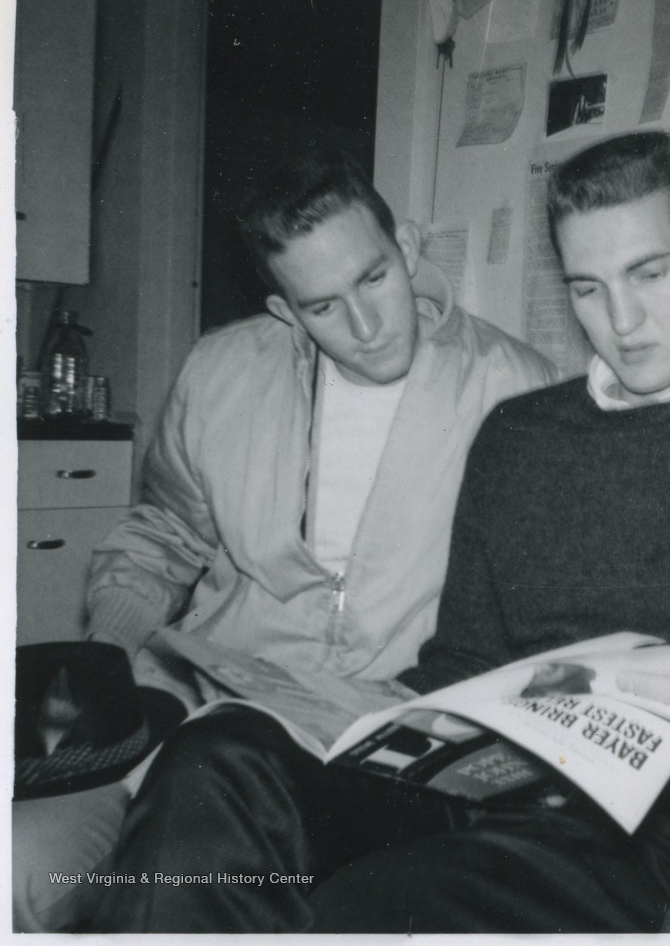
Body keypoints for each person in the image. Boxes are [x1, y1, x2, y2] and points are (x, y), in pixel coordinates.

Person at [91, 131, 670, 933]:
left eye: (649, 273)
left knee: (366, 909)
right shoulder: (518, 435)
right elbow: (462, 664)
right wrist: (349, 724)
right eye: (587, 288)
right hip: (490, 787)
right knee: (216, 761)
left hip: (661, 829)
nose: (621, 322)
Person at [12, 146, 558, 932]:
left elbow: (545, 613)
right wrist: (108, 653)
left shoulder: (520, 393)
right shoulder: (220, 372)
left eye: (374, 278)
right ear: (284, 310)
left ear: (407, 248)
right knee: (19, 867)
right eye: (323, 306)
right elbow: (164, 533)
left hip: (374, 749)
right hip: (196, 711)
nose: (366, 327)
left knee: (192, 858)